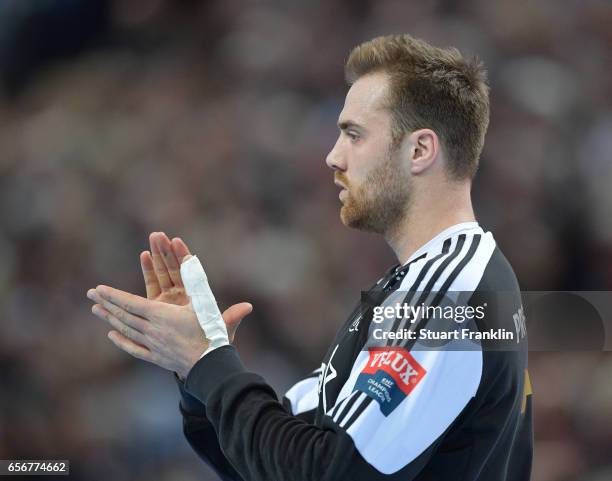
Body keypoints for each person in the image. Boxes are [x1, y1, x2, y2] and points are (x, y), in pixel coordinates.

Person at [87, 34, 533, 480]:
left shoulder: (446, 293)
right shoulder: (435, 282)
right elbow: (277, 460)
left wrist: (209, 362)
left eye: (354, 135)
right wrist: (197, 369)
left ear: (419, 151)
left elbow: (325, 473)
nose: (332, 157)